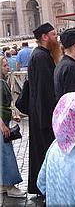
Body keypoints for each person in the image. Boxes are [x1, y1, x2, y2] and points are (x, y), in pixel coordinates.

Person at [27, 22, 60, 195]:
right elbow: (45, 91)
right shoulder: (40, 57)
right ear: (45, 37)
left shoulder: (42, 55)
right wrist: (50, 119)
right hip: (44, 115)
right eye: (54, 35)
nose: (56, 38)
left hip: (41, 112)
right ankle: (45, 188)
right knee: (44, 153)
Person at [0, 56, 25, 197]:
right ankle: (10, 185)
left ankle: (3, 184)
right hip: (2, 123)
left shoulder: (3, 81)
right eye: (4, 65)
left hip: (4, 119)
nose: (7, 67)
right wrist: (2, 124)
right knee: (7, 153)